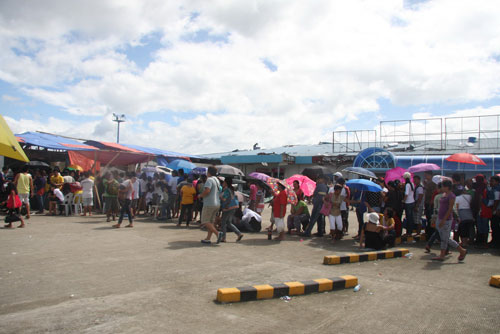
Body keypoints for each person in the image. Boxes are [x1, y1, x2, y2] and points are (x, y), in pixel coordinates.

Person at [431, 180, 467, 261]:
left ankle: (460, 250)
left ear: (447, 187)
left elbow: (450, 209)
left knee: (445, 238)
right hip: (440, 217)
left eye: (443, 186)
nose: (442, 188)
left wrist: (443, 220)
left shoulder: (451, 196)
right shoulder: (444, 194)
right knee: (444, 238)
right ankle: (446, 254)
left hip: (446, 219)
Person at [217, 177, 244, 243]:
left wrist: (220, 196)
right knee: (228, 222)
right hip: (234, 207)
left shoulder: (226, 190)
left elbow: (224, 199)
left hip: (227, 208)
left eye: (223, 182)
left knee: (223, 222)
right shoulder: (231, 189)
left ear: (226, 183)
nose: (222, 184)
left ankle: (223, 238)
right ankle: (238, 233)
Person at [199, 167, 222, 244]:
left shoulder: (209, 180)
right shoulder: (217, 180)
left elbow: (207, 191)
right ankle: (208, 238)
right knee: (211, 222)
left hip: (209, 203)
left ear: (208, 172)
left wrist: (200, 195)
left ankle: (218, 234)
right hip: (217, 203)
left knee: (205, 221)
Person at [423, 171, 437, 238]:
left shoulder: (433, 184)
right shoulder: (427, 184)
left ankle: (431, 235)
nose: (425, 176)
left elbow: (432, 194)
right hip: (427, 203)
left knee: (430, 219)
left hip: (430, 203)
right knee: (428, 219)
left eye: (426, 175)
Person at [402, 172, 415, 237]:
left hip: (408, 202)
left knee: (408, 218)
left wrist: (403, 200)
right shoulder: (412, 184)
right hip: (412, 201)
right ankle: (410, 231)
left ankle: (408, 232)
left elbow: (406, 194)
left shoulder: (407, 185)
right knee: (411, 217)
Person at [489, 176, 500, 248]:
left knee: (495, 226)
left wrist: (494, 209)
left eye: (492, 181)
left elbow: (496, 200)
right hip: (496, 209)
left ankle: (496, 242)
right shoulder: (493, 188)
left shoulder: (496, 189)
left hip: (497, 210)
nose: (490, 183)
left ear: (497, 182)